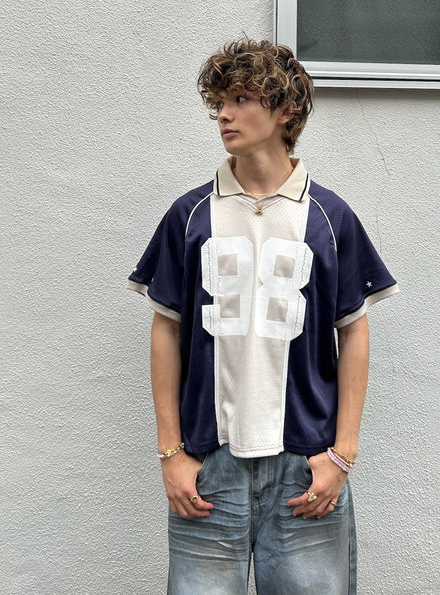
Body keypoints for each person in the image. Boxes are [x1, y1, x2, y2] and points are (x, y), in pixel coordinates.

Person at [128, 39, 399, 594]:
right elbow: (166, 329)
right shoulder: (190, 215)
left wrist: (342, 454)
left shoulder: (329, 217)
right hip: (209, 467)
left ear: (285, 110)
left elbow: (353, 331)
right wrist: (171, 454)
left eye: (241, 99)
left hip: (306, 466)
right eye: (220, 102)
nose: (224, 115)